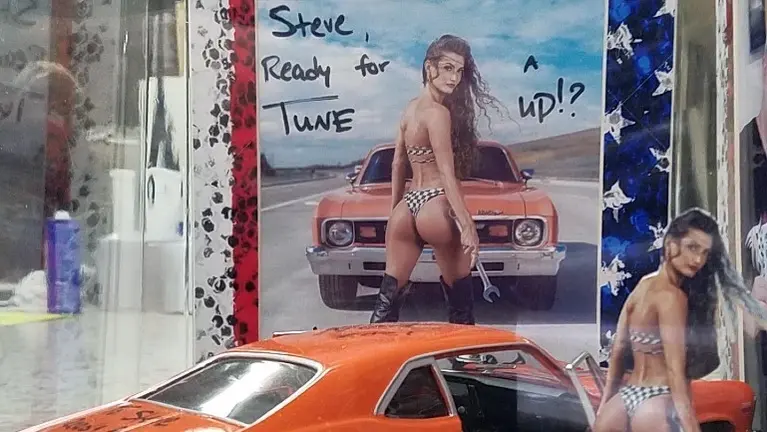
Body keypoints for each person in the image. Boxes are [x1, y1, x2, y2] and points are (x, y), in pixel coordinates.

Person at [368, 34, 507, 325]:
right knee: (460, 304)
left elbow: (398, 163)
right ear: (429, 67)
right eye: (447, 68)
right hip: (435, 204)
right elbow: (446, 172)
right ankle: (463, 351)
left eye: (459, 70)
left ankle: (372, 348)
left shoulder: (409, 109)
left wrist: (395, 212)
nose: (454, 78)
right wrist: (467, 224)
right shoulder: (438, 113)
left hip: (407, 205)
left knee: (386, 304)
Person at [594, 208, 767, 432]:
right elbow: (676, 373)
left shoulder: (643, 286)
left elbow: (618, 350)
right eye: (692, 248)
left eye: (704, 253)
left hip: (623, 399)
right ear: (671, 245)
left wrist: (604, 407)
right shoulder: (673, 299)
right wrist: (691, 426)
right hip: (656, 400)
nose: (698, 260)